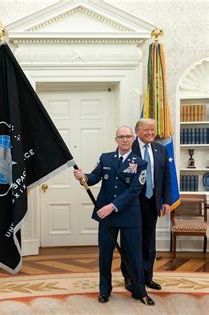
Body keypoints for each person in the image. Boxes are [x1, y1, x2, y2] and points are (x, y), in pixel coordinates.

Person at [73, 126, 154, 305]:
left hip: (129, 216)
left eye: (128, 136)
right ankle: (104, 291)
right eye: (121, 137)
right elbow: (94, 177)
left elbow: (134, 190)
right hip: (107, 217)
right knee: (105, 255)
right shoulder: (105, 158)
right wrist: (82, 176)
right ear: (116, 139)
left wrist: (112, 206)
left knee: (134, 255)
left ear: (133, 139)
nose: (125, 140)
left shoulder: (140, 163)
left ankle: (139, 291)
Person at [121, 118, 171, 291]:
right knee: (129, 242)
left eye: (153, 130)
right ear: (137, 132)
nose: (151, 133)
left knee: (149, 242)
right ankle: (129, 278)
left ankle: (147, 277)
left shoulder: (161, 150)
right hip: (132, 204)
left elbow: (166, 177)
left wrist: (165, 200)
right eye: (147, 130)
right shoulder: (128, 149)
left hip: (152, 203)